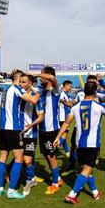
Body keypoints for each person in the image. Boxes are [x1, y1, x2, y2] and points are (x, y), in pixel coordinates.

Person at [53, 81, 105, 204]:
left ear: (83, 91)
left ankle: (95, 192)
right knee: (87, 169)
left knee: (85, 169)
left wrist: (58, 137)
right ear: (95, 92)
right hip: (92, 143)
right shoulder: (99, 106)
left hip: (79, 144)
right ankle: (72, 194)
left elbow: (66, 123)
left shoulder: (75, 107)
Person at [0, 69, 40, 199]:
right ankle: (11, 190)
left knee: (2, 157)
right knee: (19, 158)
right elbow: (32, 100)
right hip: (13, 128)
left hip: (1, 128)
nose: (23, 83)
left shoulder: (4, 92)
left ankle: (0, 188)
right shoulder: (16, 89)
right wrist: (39, 92)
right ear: (18, 79)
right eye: (22, 80)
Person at [63, 74, 105, 176]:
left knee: (92, 147)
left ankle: (88, 169)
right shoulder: (80, 94)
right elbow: (73, 104)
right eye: (89, 82)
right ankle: (71, 165)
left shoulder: (99, 95)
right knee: (74, 145)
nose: (91, 83)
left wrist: (103, 83)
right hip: (79, 127)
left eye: (94, 82)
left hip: (93, 128)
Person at [37, 66, 64, 195]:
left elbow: (53, 78)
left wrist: (36, 74)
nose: (40, 78)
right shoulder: (40, 91)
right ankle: (57, 178)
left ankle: (54, 184)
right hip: (42, 130)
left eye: (43, 75)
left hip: (51, 130)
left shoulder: (56, 91)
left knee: (52, 157)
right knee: (46, 155)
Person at [19, 74, 44, 195]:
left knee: (27, 160)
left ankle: (30, 181)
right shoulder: (18, 95)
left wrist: (31, 125)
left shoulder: (35, 98)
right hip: (18, 132)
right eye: (20, 82)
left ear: (29, 84)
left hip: (30, 133)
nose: (21, 85)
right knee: (20, 158)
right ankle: (30, 177)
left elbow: (41, 117)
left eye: (23, 82)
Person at [58, 80, 75, 157]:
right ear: (66, 85)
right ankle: (55, 148)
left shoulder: (67, 94)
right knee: (64, 135)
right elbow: (63, 101)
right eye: (70, 86)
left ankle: (67, 151)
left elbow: (71, 102)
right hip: (63, 118)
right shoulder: (62, 93)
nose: (71, 88)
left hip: (65, 118)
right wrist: (70, 104)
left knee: (62, 135)